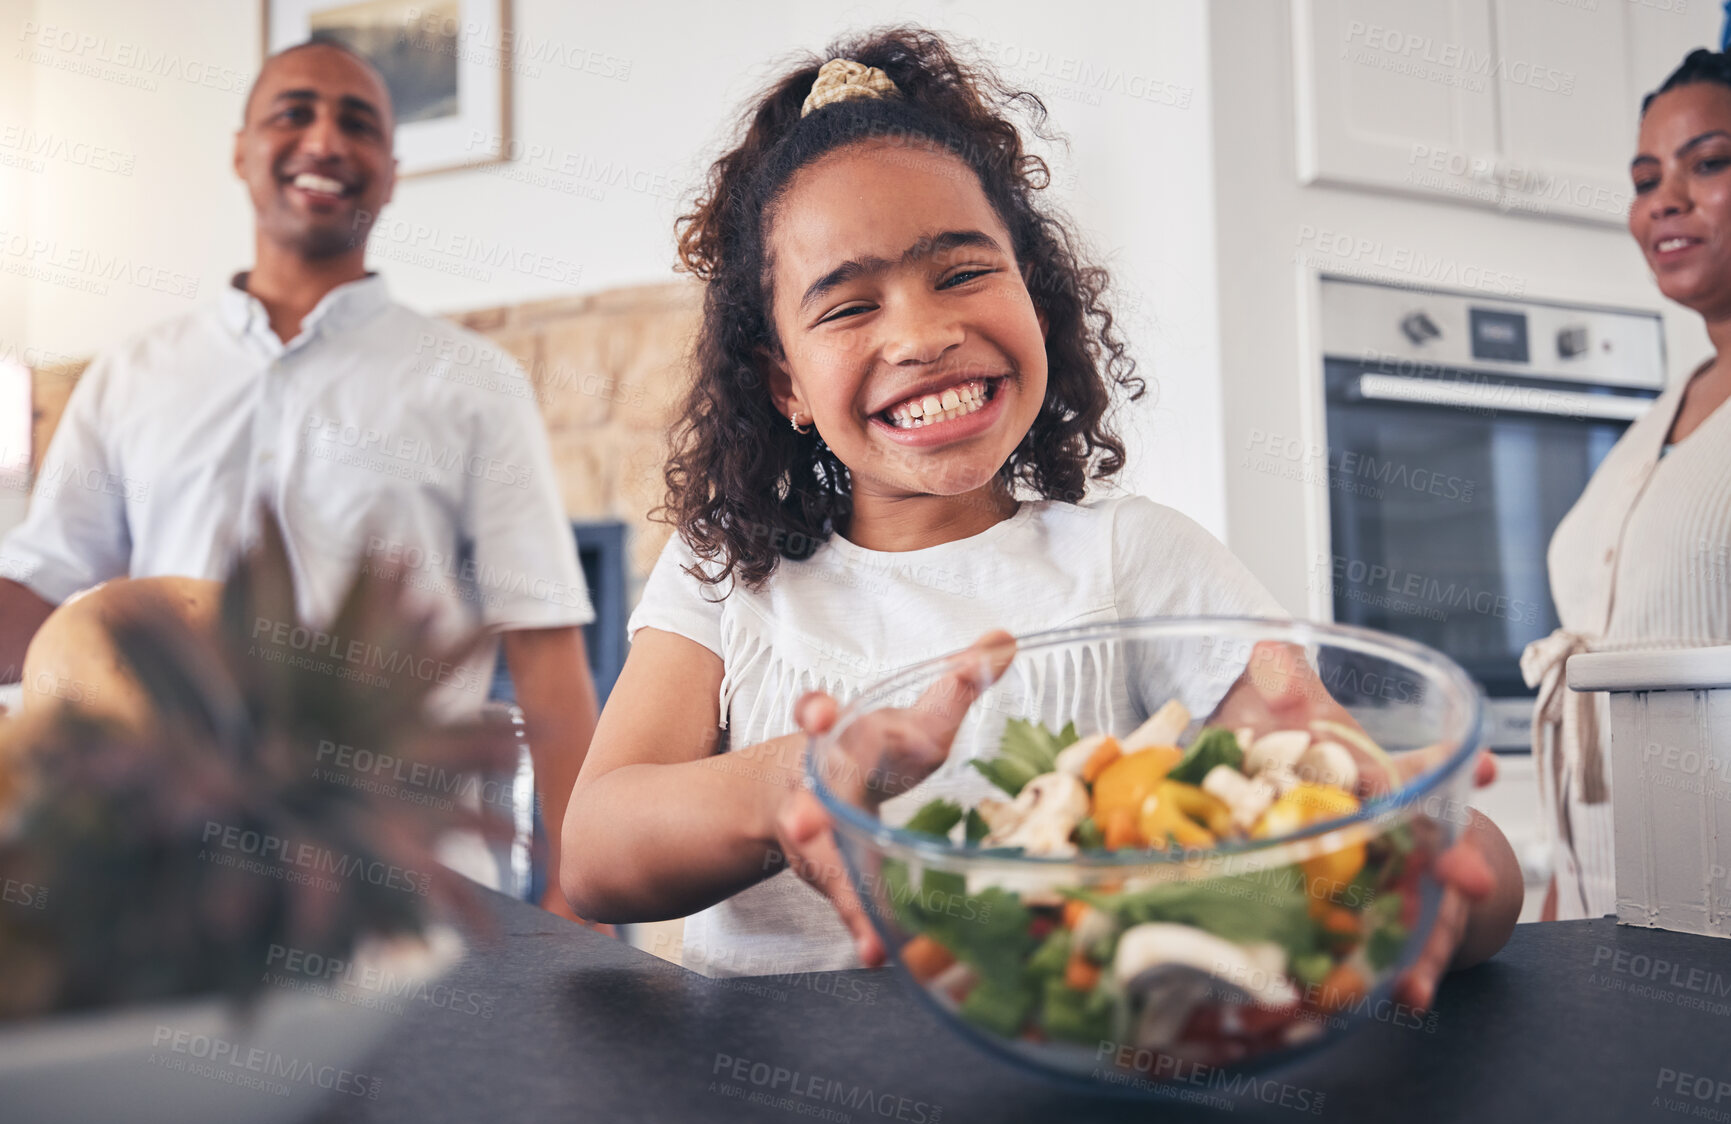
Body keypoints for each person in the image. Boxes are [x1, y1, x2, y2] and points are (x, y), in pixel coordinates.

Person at [562, 29, 1521, 1005]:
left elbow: (1348, 789)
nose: (924, 334)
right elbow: (596, 852)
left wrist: (1424, 857)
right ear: (785, 382)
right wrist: (795, 782)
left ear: (1036, 290)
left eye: (964, 272)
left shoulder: (1134, 560)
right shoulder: (728, 569)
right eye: (850, 307)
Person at [0, 39, 599, 919]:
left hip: (403, 877)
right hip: (165, 868)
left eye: (357, 123)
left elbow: (545, 645)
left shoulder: (472, 381)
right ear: (241, 149)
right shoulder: (131, 375)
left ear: (391, 174)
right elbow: (45, 591)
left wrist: (576, 887)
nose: (324, 140)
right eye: (294, 113)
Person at [1524, 48, 1731, 921]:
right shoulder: (1662, 414)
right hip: (1601, 905)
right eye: (1645, 178)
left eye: (1709, 162)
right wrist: (1560, 888)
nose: (1664, 200)